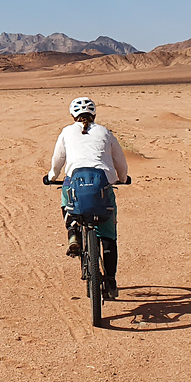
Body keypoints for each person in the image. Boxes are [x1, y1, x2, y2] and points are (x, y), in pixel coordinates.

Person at [47, 96, 128, 300]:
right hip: (103, 185)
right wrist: (123, 178)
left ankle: (73, 231)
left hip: (75, 182)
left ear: (72, 115)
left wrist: (51, 177)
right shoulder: (105, 132)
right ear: (94, 114)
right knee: (108, 235)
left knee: (67, 197)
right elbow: (120, 160)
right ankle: (110, 280)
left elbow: (58, 160)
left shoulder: (66, 132)